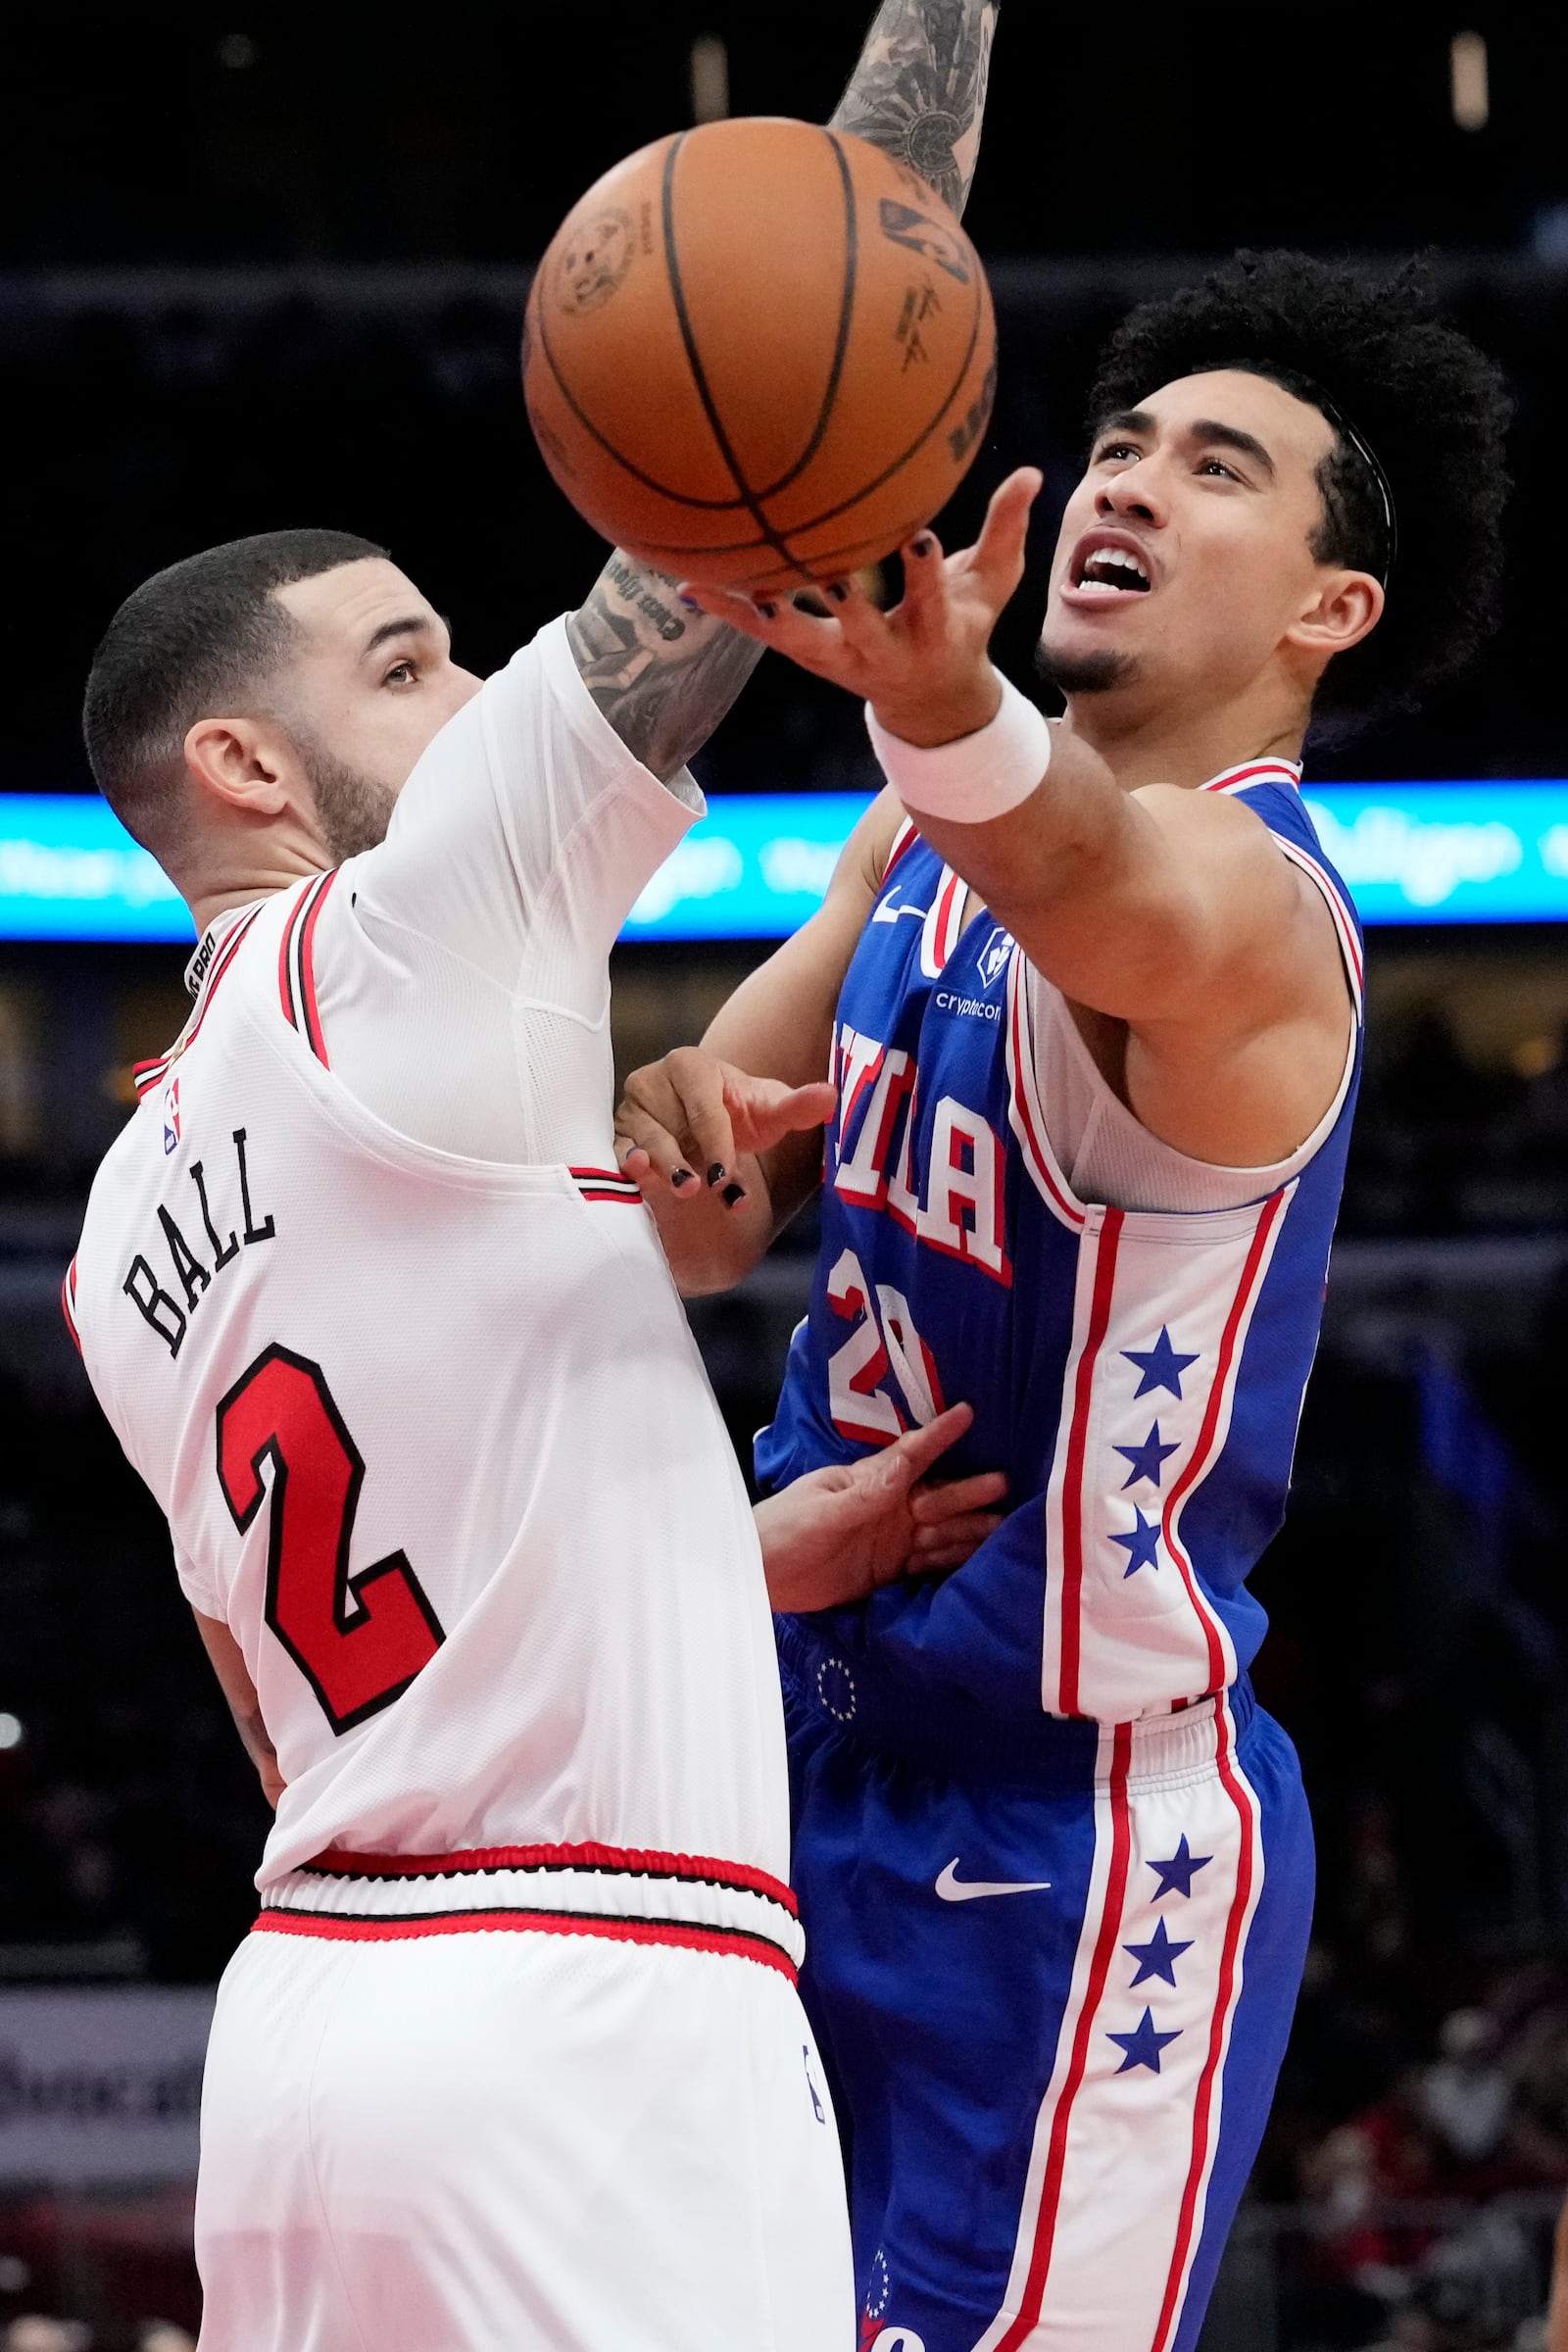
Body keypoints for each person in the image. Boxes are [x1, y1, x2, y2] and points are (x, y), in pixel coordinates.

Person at [61, 11, 1003, 2345]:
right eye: (410, 664)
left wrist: (715, 1555)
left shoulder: (116, 1230)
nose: (478, 692)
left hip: (306, 2036)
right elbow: (757, 431)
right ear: (246, 763)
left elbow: (329, 1624)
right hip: (589, 2007)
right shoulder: (403, 935)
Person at [614, 250, 1511, 2352]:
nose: (1128, 483)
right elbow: (695, 1224)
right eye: (1116, 443)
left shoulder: (1262, 916)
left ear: (1324, 609)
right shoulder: (905, 849)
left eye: (1215, 468)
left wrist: (939, 700)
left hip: (1063, 1847)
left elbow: (1102, 888)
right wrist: (666, 1123)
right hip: (780, 1752)